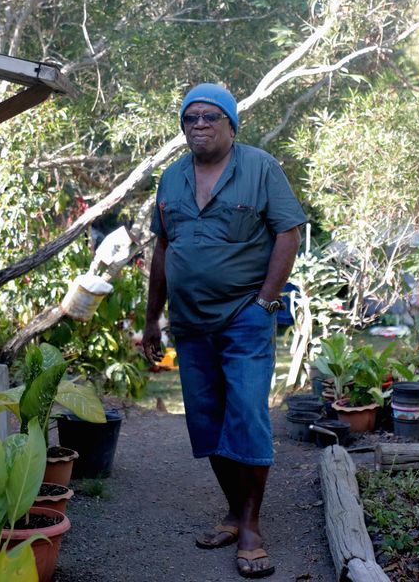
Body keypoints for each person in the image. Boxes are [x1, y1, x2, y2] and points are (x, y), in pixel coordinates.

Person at [142, 83, 306, 579]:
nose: (199, 125)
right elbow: (163, 250)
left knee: (248, 415)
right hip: (190, 325)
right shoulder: (170, 179)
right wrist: (152, 317)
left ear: (232, 124)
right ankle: (234, 513)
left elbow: (288, 232)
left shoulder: (260, 167)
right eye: (190, 118)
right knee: (208, 421)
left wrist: (265, 303)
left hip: (244, 316)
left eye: (211, 117)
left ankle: (252, 526)